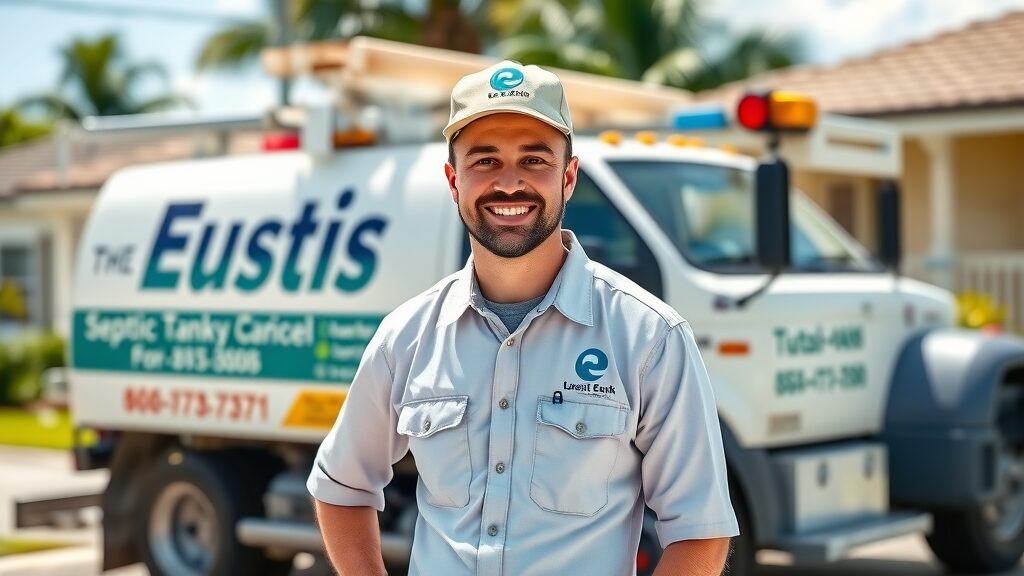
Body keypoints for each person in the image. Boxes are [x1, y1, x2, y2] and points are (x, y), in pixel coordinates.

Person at [308, 60, 739, 576]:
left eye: (534, 160)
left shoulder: (649, 337)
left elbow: (701, 532)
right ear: (453, 180)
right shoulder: (407, 335)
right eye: (484, 161)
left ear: (568, 177)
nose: (509, 184)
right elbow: (341, 486)